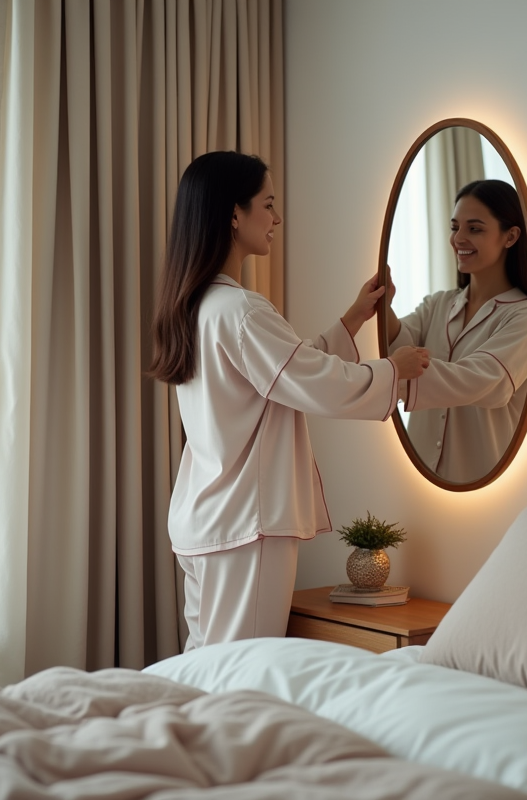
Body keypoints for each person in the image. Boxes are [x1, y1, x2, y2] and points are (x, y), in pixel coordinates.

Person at [148, 151, 429, 652]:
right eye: (268, 204)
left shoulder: (198, 306)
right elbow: (311, 381)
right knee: (242, 673)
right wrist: (393, 371)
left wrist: (353, 320)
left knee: (204, 667)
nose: (277, 219)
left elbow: (285, 371)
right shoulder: (240, 310)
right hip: (244, 524)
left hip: (205, 518)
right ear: (234, 214)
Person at [383, 179, 527, 484]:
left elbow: (486, 382)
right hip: (419, 481)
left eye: (475, 229)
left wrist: (390, 380)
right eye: (455, 227)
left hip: (488, 485)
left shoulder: (526, 316)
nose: (458, 239)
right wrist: (382, 305)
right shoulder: (438, 304)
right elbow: (396, 343)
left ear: (511, 236)